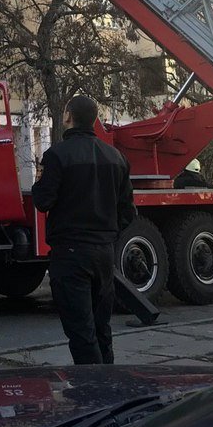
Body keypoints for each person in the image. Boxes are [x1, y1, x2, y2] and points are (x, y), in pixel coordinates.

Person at [32, 96, 135, 365]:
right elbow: (128, 212)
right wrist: (106, 236)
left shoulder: (56, 156)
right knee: (102, 330)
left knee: (81, 333)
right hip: (104, 254)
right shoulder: (117, 158)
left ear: (68, 116)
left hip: (70, 255)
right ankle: (111, 388)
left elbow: (42, 201)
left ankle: (94, 395)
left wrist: (38, 181)